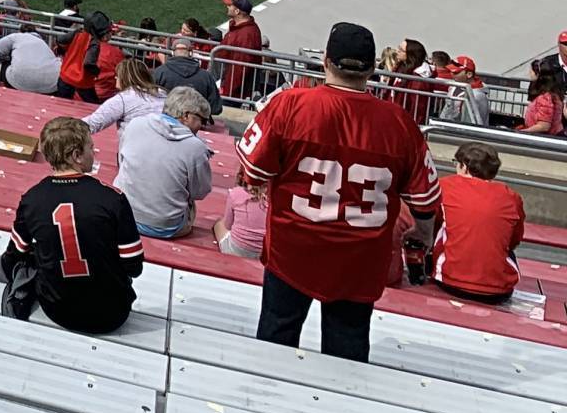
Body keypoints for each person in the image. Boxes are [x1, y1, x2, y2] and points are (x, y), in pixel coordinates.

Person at [237, 21, 439, 362]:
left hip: (294, 250)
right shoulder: (399, 123)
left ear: (326, 61)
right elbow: (424, 200)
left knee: (275, 341)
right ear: (373, 69)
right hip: (359, 258)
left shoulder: (290, 105)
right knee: (347, 353)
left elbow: (253, 169)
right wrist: (423, 232)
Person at [0, 117, 145, 335]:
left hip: (58, 309)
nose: (93, 153)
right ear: (76, 155)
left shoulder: (33, 198)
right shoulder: (112, 199)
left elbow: (16, 253)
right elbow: (134, 267)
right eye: (90, 148)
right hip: (112, 314)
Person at [115, 87, 217, 240]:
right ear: (186, 116)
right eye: (202, 120)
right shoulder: (195, 147)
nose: (202, 126)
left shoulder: (136, 124)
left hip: (121, 214)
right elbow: (200, 192)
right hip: (166, 226)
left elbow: (121, 162)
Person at [430, 142, 523, 304]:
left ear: (464, 167)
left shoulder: (445, 186)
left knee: (442, 232)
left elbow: (429, 226)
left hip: (450, 280)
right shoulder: (511, 197)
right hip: (498, 290)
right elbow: (514, 240)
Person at [86, 59, 165, 132]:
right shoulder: (164, 94)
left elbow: (92, 124)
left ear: (125, 77)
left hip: (136, 144)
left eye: (117, 75)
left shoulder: (123, 99)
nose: (115, 77)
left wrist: (74, 126)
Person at [155, 32, 224, 116]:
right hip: (196, 125)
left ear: (172, 53)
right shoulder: (206, 77)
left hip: (165, 121)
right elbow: (216, 108)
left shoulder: (159, 72)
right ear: (191, 53)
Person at [0, 20, 62, 94]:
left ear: (20, 31)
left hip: (18, 80)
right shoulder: (43, 44)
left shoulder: (16, 36)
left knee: (6, 63)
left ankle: (3, 90)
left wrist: (1, 59)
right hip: (50, 84)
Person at [215, 182, 268, 259]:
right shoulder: (275, 196)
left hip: (236, 250)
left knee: (219, 224)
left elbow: (227, 225)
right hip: (266, 254)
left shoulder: (236, 192)